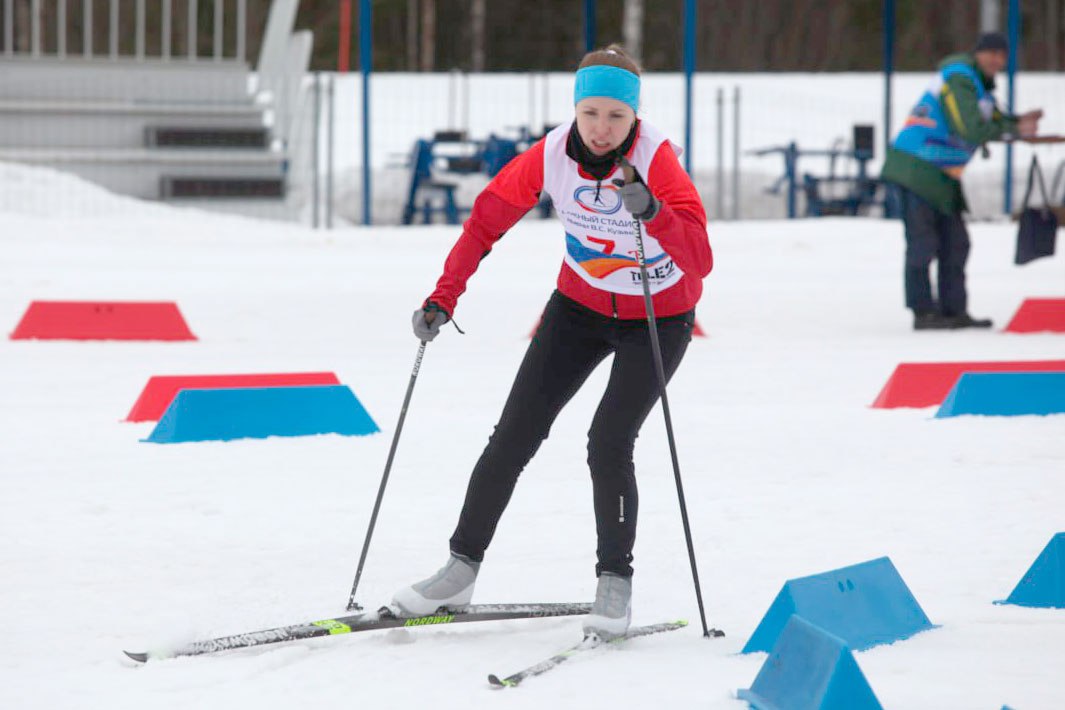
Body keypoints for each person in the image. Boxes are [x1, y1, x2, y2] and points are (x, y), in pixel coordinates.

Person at [392, 45, 713, 639]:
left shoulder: (657, 158)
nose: (600, 128)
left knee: (608, 440)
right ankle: (461, 568)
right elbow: (485, 219)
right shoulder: (550, 154)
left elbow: (701, 259)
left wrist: (657, 212)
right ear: (575, 108)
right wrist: (444, 296)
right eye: (590, 113)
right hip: (579, 306)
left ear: (634, 118)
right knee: (515, 431)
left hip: (658, 316)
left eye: (616, 116)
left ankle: (614, 584)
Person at [881, 31, 1042, 330]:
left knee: (956, 243)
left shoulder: (979, 88)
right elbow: (969, 127)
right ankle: (923, 312)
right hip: (916, 167)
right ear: (977, 53)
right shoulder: (958, 77)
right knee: (923, 243)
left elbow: (991, 120)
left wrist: (1018, 124)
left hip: (941, 174)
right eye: (991, 53)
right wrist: (1014, 130)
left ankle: (954, 311)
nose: (996, 60)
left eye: (1001, 55)